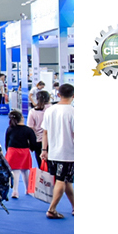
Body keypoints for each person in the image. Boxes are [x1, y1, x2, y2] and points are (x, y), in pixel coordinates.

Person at [40, 84, 76, 219]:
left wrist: (44, 149)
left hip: (53, 152)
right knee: (61, 180)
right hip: (67, 153)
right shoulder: (73, 112)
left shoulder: (49, 110)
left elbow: (45, 132)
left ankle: (75, 206)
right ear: (73, 96)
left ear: (58, 94)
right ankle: (52, 209)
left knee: (66, 181)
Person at [5, 110, 40, 199]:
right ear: (22, 118)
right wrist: (32, 148)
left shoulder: (10, 128)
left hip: (12, 151)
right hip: (24, 151)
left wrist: (7, 151)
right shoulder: (28, 130)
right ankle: (28, 189)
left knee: (15, 172)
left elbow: (6, 141)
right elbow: (33, 142)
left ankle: (15, 191)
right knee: (25, 171)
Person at [26, 90, 51, 198]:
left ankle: (44, 186)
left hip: (38, 141)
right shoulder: (52, 109)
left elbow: (30, 128)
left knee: (41, 163)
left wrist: (30, 142)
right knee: (52, 163)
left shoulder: (33, 111)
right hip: (52, 141)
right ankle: (54, 184)